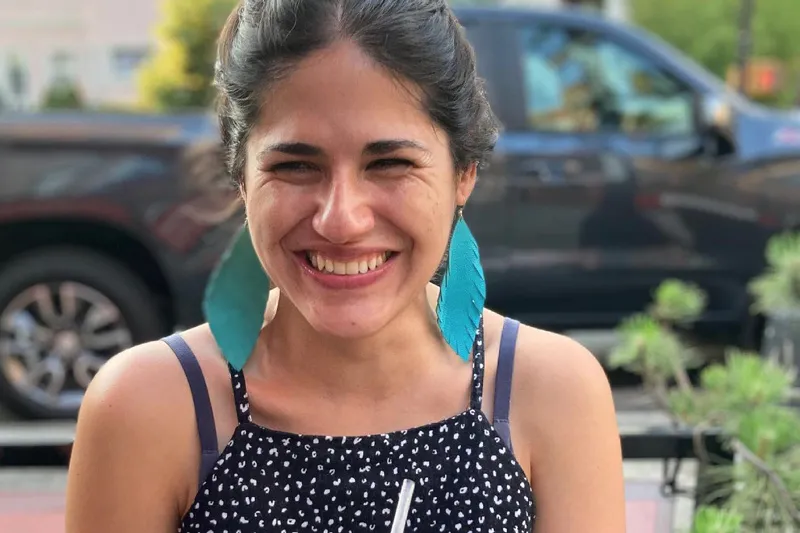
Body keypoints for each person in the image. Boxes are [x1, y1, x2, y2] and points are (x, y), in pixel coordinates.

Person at [64, 0, 625, 531]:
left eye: (389, 163)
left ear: (464, 174)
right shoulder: (150, 407)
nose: (342, 220)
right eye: (295, 166)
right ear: (242, 178)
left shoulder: (550, 392)